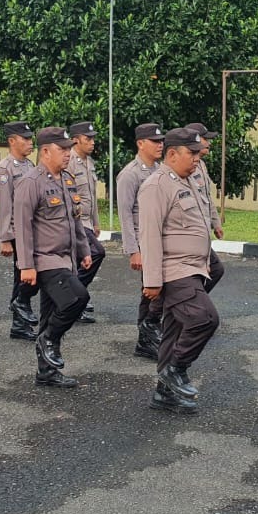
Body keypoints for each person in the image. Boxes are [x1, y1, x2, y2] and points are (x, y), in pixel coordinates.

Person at [139, 128, 220, 414]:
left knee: (173, 332)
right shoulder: (156, 186)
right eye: (192, 153)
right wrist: (151, 281)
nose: (197, 159)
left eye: (199, 153)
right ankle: (175, 370)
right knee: (204, 318)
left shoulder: (186, 181)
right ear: (172, 154)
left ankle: (164, 395)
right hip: (174, 270)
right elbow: (149, 235)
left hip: (194, 267)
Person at [13, 126, 93, 388]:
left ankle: (46, 372)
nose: (68, 153)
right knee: (78, 297)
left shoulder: (66, 179)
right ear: (45, 151)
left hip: (66, 257)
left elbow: (75, 220)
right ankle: (48, 340)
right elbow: (22, 227)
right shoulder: (30, 182)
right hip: (44, 260)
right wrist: (25, 266)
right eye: (63, 149)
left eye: (69, 148)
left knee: (49, 314)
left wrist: (84, 250)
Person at [117, 122, 166, 359]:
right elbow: (125, 214)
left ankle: (149, 333)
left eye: (161, 141)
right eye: (155, 141)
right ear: (140, 143)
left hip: (159, 239)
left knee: (157, 288)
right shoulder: (130, 174)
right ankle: (145, 337)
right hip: (143, 241)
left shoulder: (160, 170)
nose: (160, 145)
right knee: (150, 289)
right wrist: (132, 250)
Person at [0, 121, 38, 341]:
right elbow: (3, 206)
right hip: (17, 233)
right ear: (12, 141)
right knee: (25, 275)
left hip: (32, 230)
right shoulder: (4, 169)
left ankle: (19, 323)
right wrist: (4, 238)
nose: (30, 142)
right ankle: (19, 316)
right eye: (25, 139)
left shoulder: (29, 166)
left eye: (30, 138)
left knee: (24, 276)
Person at [66, 120, 106, 322]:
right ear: (75, 140)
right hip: (76, 222)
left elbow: (91, 194)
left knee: (82, 261)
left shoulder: (89, 163)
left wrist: (96, 222)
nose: (92, 142)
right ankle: (74, 297)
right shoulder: (69, 161)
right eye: (87, 138)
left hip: (88, 222)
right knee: (97, 252)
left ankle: (75, 297)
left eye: (93, 138)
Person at [183, 122, 226, 293]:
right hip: (190, 231)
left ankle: (192, 303)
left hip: (202, 231)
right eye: (205, 139)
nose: (209, 143)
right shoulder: (185, 167)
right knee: (209, 271)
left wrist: (215, 223)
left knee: (214, 270)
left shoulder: (201, 165)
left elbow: (207, 198)